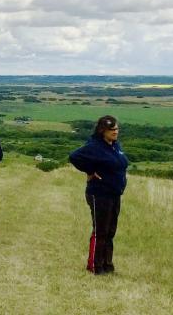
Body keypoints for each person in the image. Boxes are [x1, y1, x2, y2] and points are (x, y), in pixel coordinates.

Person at [68, 115, 129, 275]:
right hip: (99, 193)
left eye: (117, 128)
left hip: (115, 193)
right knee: (100, 230)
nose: (116, 132)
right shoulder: (94, 146)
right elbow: (74, 157)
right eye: (112, 129)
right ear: (103, 131)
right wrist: (90, 171)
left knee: (110, 231)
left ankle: (107, 264)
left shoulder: (115, 145)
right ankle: (95, 266)